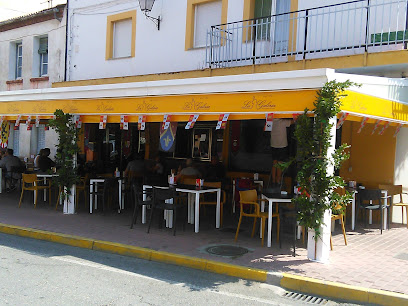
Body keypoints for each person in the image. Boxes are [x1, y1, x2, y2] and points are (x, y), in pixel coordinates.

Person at [270, 118, 292, 185]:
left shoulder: (270, 121)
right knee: (280, 163)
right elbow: (291, 122)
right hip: (282, 145)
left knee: (274, 163)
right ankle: (278, 180)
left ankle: (273, 180)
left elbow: (265, 128)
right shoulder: (282, 122)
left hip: (273, 144)